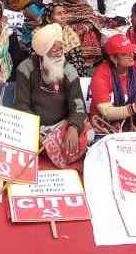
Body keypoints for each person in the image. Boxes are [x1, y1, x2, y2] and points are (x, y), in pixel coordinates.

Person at [15, 23, 92, 168]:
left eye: (60, 50)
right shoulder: (25, 69)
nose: (58, 55)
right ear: (42, 53)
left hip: (62, 125)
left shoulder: (69, 71)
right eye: (53, 51)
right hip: (37, 127)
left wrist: (73, 127)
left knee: (88, 135)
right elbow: (22, 106)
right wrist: (36, 131)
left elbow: (79, 107)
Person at [89, 34, 136, 133]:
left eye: (131, 51)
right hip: (105, 123)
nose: (131, 55)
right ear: (113, 58)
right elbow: (106, 112)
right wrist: (135, 107)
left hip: (132, 120)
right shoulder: (101, 75)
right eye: (124, 53)